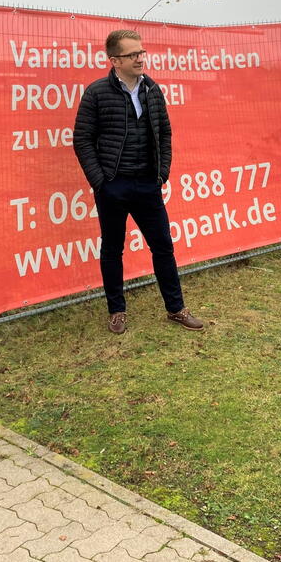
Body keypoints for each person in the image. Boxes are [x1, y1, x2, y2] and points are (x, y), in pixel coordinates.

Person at [73, 29, 204, 335]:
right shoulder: (96, 93)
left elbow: (166, 132)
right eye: (132, 54)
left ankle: (176, 309)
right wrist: (100, 181)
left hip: (148, 184)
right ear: (115, 60)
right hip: (113, 187)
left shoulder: (152, 90)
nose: (140, 58)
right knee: (112, 250)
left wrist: (162, 172)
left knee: (163, 247)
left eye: (141, 53)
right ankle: (117, 311)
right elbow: (82, 140)